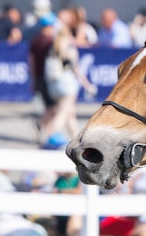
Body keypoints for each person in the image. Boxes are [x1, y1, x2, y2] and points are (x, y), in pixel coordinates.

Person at [43, 12, 97, 140]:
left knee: (70, 114)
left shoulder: (53, 47)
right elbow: (76, 70)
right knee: (64, 112)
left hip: (54, 84)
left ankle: (76, 139)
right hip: (67, 84)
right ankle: (51, 136)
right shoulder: (68, 48)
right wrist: (87, 85)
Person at [28, 12, 58, 140]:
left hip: (38, 77)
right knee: (54, 107)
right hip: (49, 79)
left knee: (48, 106)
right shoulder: (51, 41)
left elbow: (31, 61)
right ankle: (39, 124)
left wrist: (33, 78)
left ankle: (49, 134)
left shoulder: (35, 41)